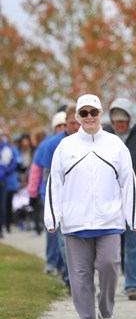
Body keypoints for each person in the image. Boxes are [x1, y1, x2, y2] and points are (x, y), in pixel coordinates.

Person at [44, 94, 136, 319]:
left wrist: (134, 219)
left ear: (100, 114)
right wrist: (53, 218)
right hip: (76, 224)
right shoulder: (66, 146)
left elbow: (129, 182)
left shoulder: (115, 144)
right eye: (83, 113)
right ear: (76, 118)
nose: (89, 117)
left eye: (93, 112)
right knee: (80, 276)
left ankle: (106, 313)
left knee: (109, 266)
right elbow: (55, 183)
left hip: (110, 222)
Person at [106, 98, 136, 300]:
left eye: (123, 121)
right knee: (112, 245)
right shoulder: (104, 136)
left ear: (130, 120)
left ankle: (133, 284)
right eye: (116, 122)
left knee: (135, 242)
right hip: (110, 198)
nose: (120, 125)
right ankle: (114, 283)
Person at [28, 106, 79, 282]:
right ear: (66, 123)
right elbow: (45, 173)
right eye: (71, 123)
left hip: (80, 199)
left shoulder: (90, 141)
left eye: (77, 122)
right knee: (61, 239)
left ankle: (73, 274)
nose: (76, 126)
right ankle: (66, 274)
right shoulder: (53, 144)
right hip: (58, 199)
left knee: (76, 241)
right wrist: (37, 193)